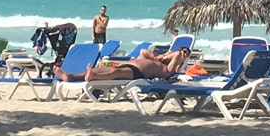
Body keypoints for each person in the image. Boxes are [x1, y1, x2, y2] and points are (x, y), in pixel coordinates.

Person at [56, 46, 193, 83]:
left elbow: (171, 72)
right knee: (102, 69)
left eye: (187, 53)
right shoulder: (156, 60)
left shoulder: (168, 68)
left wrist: (175, 55)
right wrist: (158, 57)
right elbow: (143, 51)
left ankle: (90, 77)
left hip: (138, 73)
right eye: (183, 51)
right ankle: (71, 76)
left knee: (114, 73)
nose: (184, 54)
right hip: (129, 65)